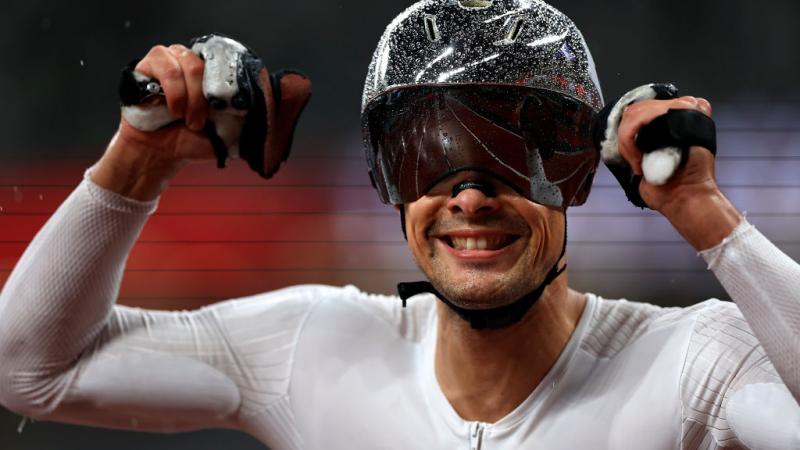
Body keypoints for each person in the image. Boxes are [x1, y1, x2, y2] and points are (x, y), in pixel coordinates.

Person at [1, 0, 799, 449]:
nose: (470, 197)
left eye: (517, 156)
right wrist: (132, 167)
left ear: (580, 172)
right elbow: (31, 370)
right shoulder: (313, 347)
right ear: (387, 182)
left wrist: (708, 220)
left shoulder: (694, 364)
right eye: (428, 157)